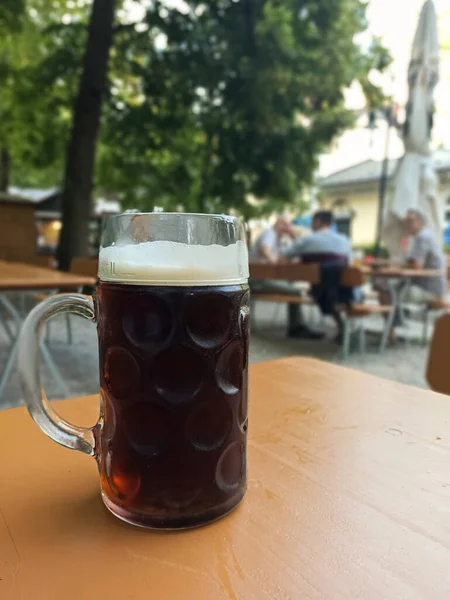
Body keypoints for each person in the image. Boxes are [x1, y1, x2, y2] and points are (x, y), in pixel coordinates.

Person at [280, 211, 353, 342]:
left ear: (318, 221)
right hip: (344, 290)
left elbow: (284, 257)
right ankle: (344, 326)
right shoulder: (344, 240)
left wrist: (292, 237)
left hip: (319, 290)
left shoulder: (308, 240)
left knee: (322, 286)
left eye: (312, 221)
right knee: (334, 285)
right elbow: (350, 264)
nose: (311, 224)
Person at [376, 210, 447, 343]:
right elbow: (409, 262)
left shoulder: (423, 238)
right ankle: (393, 329)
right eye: (406, 221)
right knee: (384, 286)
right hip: (429, 286)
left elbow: (415, 266)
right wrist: (390, 264)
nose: (407, 225)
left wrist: (394, 267)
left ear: (421, 223)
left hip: (429, 290)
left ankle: (391, 332)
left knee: (384, 288)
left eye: (411, 221)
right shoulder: (421, 238)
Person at [249, 217, 323, 339]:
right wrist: (272, 262)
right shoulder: (270, 234)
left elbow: (293, 254)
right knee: (295, 291)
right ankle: (295, 328)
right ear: (280, 225)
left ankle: (297, 326)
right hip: (258, 280)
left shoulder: (278, 240)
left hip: (262, 279)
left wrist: (293, 237)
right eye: (287, 226)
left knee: (293, 288)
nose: (289, 229)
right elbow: (265, 250)